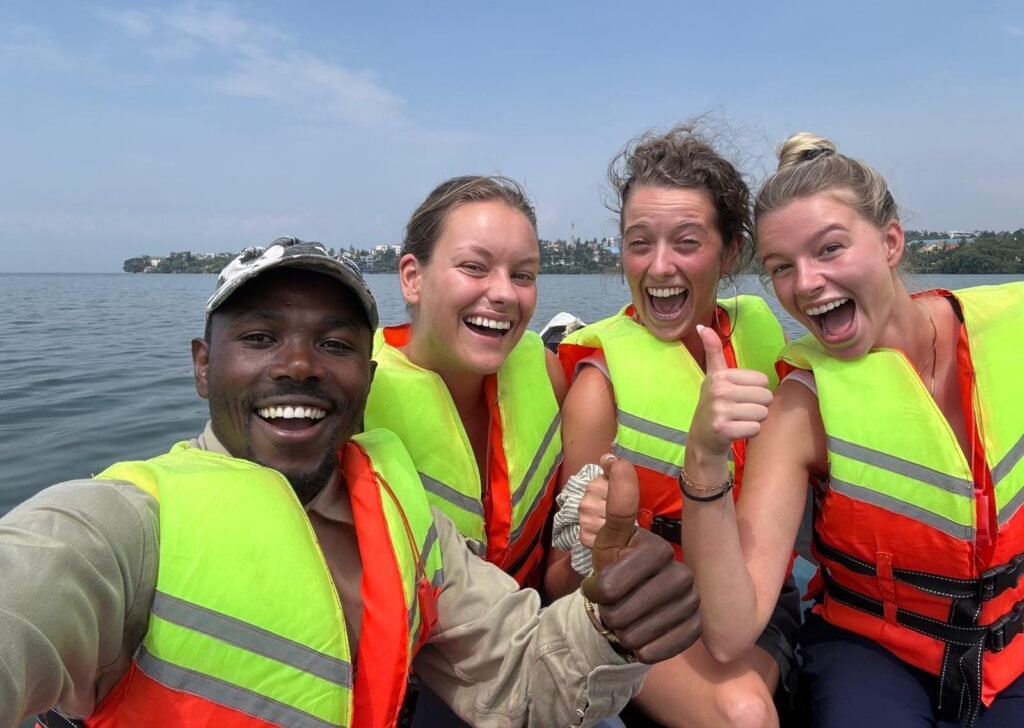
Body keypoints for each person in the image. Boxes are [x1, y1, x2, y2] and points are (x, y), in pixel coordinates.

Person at [0, 237, 703, 728]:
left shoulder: (403, 521)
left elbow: (526, 686)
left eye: (335, 344)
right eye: (259, 337)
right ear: (202, 367)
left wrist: (612, 624)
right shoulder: (119, 530)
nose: (300, 365)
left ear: (367, 378)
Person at [682, 133, 1024, 728]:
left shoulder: (1011, 336)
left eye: (830, 250)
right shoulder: (800, 407)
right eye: (781, 268)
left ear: (892, 241)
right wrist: (705, 456)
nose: (807, 282)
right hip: (874, 651)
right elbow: (732, 631)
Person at [544, 124, 798, 728]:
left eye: (687, 242)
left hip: (757, 595)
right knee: (742, 714)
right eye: (640, 243)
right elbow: (557, 580)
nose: (660, 266)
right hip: (647, 606)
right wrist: (593, 543)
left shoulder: (762, 338)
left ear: (730, 251)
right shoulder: (597, 387)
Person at [364, 176, 566, 589]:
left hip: (532, 623)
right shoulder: (357, 398)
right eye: (474, 267)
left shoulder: (546, 372)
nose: (505, 293)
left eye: (523, 275)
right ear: (412, 278)